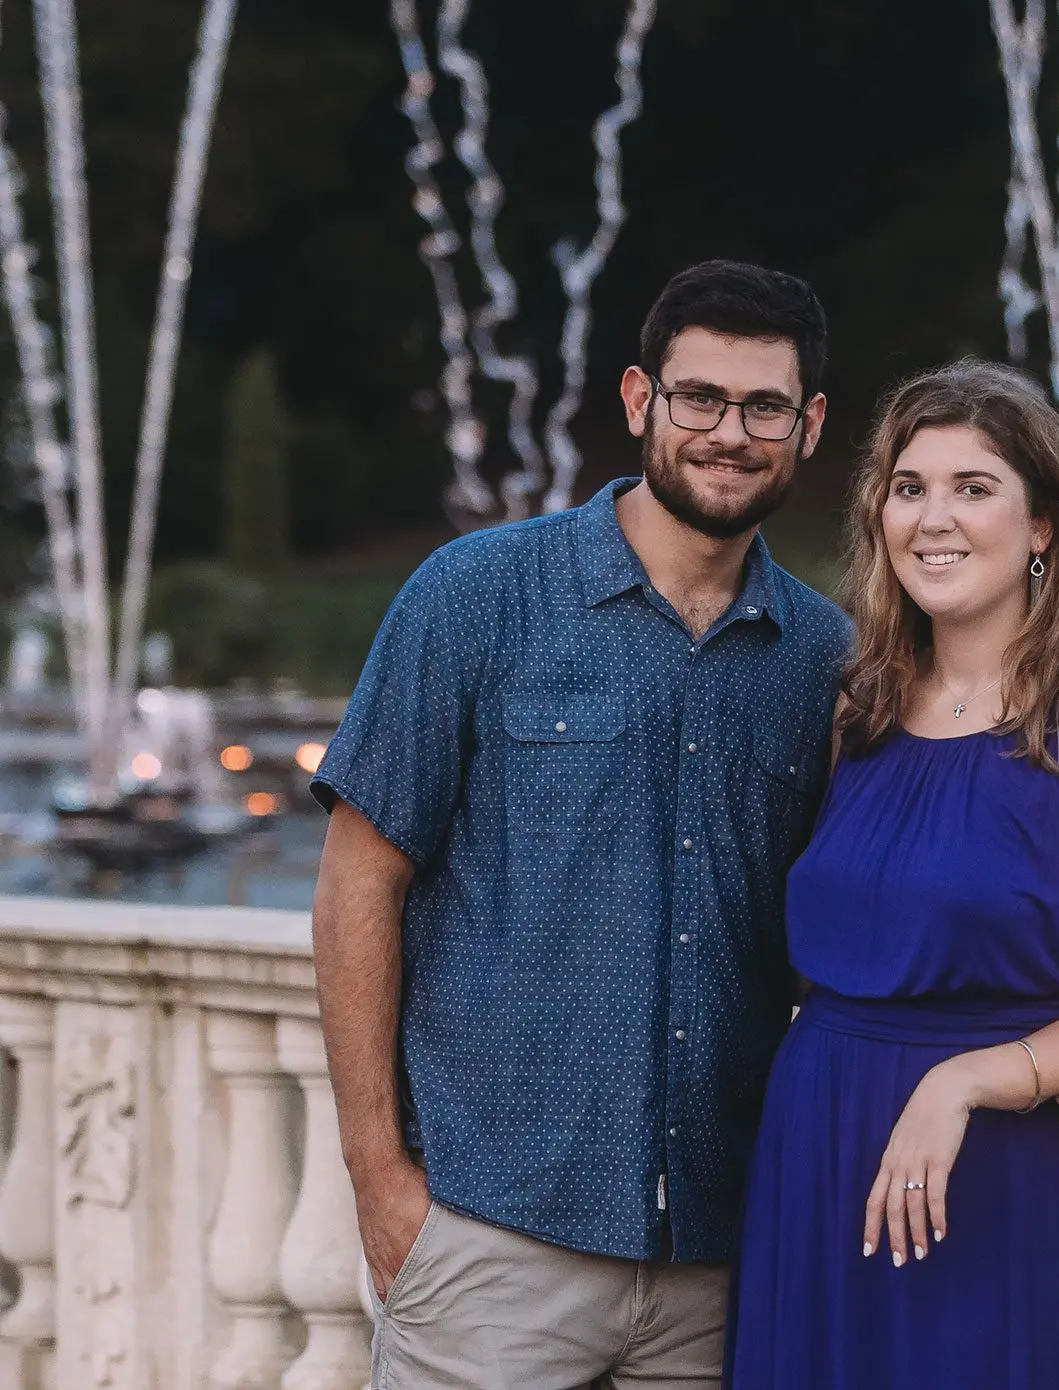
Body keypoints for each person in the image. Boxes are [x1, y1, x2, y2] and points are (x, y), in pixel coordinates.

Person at [309, 260, 850, 1388]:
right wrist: (377, 1174)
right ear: (640, 399)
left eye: (763, 409)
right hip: (494, 1235)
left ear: (808, 427)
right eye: (700, 398)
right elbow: (360, 879)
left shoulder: (824, 658)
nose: (729, 434)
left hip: (723, 1255)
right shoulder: (475, 594)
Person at [726, 360, 1059, 1389]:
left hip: (996, 1174)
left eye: (974, 487)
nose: (932, 518)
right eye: (910, 488)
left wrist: (967, 1079)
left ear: (1044, 526)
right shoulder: (854, 716)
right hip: (821, 1160)